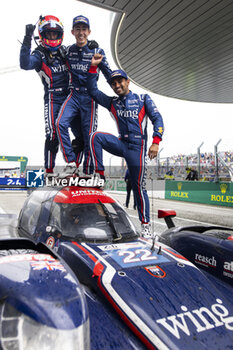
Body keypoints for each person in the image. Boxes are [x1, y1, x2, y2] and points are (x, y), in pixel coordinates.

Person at [87, 55, 164, 237]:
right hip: (121, 143)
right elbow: (93, 91)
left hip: (138, 148)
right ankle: (99, 176)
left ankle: (146, 228)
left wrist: (156, 141)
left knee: (139, 188)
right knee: (95, 137)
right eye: (113, 83)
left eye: (120, 81)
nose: (117, 86)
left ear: (127, 82)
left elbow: (157, 119)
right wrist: (92, 68)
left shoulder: (143, 98)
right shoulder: (112, 102)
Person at [20, 15, 83, 176]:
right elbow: (25, 64)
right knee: (53, 134)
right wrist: (27, 38)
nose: (53, 37)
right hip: (53, 97)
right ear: (42, 35)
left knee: (81, 134)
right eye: (49, 34)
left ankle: (74, 169)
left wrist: (91, 46)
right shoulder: (38, 55)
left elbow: (81, 53)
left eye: (55, 34)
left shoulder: (65, 51)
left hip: (71, 97)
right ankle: (49, 170)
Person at [56, 15, 112, 175]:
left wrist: (120, 90)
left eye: (84, 29)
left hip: (89, 98)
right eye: (78, 29)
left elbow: (108, 74)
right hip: (73, 95)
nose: (81, 33)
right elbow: (53, 53)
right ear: (72, 32)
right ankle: (71, 162)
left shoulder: (97, 51)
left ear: (89, 32)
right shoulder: (68, 51)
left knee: (89, 138)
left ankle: (88, 172)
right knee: (60, 124)